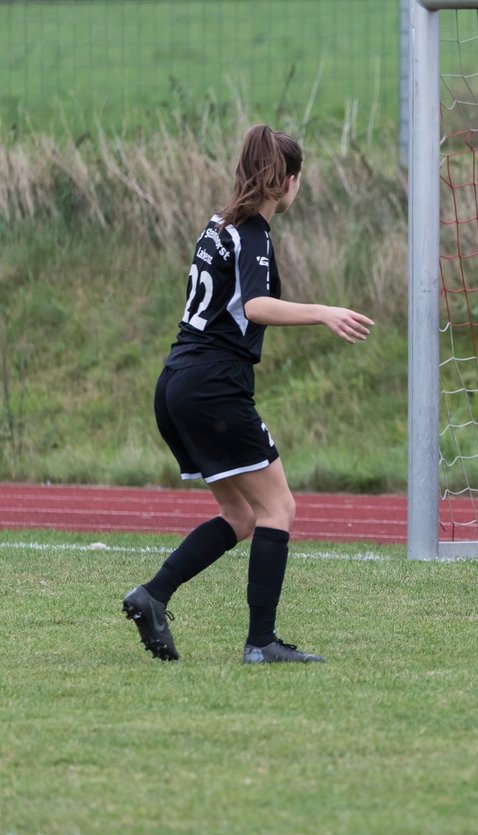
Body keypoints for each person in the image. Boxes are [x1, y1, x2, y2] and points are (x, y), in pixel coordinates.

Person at [122, 124, 373, 663]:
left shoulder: (218, 224)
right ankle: (261, 643)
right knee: (278, 506)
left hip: (177, 381)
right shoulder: (254, 233)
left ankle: (152, 595)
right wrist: (323, 312)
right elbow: (255, 306)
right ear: (287, 180)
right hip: (214, 385)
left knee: (241, 516)